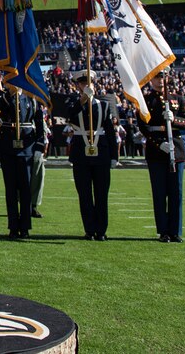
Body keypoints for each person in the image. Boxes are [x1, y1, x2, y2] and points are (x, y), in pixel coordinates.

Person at [139, 69, 185, 243]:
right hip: (156, 150)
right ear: (150, 79)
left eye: (162, 77)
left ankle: (175, 231)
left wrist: (174, 119)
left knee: (176, 192)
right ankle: (163, 231)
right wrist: (159, 143)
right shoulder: (146, 101)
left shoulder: (178, 99)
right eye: (156, 77)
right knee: (159, 193)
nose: (160, 80)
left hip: (176, 148)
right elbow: (143, 127)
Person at [67, 70, 118, 241]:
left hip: (101, 152)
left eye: (89, 83)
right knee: (85, 194)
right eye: (82, 83)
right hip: (81, 152)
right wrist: (82, 100)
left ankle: (101, 230)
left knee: (102, 194)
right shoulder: (73, 103)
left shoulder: (103, 105)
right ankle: (89, 229)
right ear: (78, 86)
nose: (86, 86)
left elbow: (110, 132)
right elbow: (69, 116)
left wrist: (114, 156)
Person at [0, 87, 45, 239]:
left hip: (27, 147)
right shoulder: (2, 95)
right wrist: (11, 94)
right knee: (10, 189)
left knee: (25, 189)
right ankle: (13, 226)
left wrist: (39, 146)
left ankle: (25, 227)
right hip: (8, 146)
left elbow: (39, 124)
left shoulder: (32, 98)